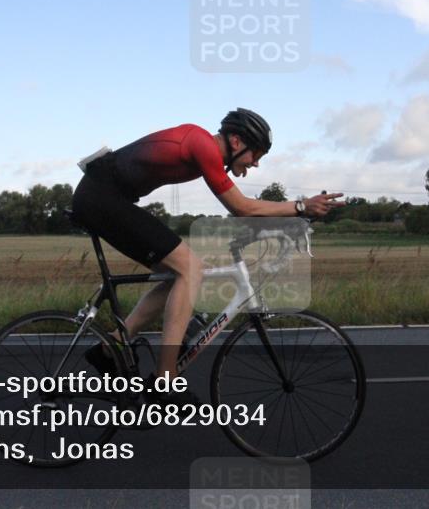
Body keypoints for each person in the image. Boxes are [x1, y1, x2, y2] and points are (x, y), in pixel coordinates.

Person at [70, 108, 343, 401]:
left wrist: (282, 224)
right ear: (237, 142)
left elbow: (246, 211)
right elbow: (242, 207)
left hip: (107, 196)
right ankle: (165, 381)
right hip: (102, 197)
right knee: (191, 270)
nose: (256, 164)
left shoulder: (202, 147)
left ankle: (111, 347)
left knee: (183, 273)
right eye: (257, 155)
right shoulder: (201, 144)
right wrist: (300, 207)